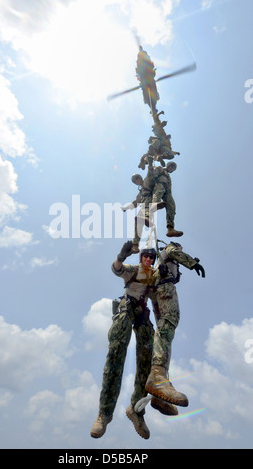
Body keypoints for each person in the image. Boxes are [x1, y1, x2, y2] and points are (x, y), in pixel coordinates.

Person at [90, 241, 171, 440]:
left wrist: (166, 270)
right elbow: (116, 269)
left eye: (152, 257)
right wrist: (121, 255)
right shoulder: (133, 270)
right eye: (146, 256)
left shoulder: (154, 276)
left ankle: (137, 410)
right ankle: (104, 413)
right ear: (140, 257)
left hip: (143, 314)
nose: (149, 260)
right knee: (116, 354)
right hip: (127, 309)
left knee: (148, 362)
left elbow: (165, 290)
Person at [144, 242, 205, 406]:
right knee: (169, 323)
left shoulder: (162, 262)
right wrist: (193, 263)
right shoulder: (169, 250)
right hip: (164, 289)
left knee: (163, 333)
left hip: (157, 293)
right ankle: (157, 377)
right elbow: (172, 250)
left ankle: (159, 390)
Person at [121, 159, 165, 253]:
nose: (137, 181)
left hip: (150, 201)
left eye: (137, 178)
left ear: (140, 178)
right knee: (137, 223)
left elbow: (150, 173)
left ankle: (147, 217)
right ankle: (135, 244)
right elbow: (136, 202)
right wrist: (126, 208)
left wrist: (149, 163)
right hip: (143, 205)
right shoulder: (140, 193)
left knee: (146, 208)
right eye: (135, 180)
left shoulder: (147, 181)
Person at [151, 162, 183, 238]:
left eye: (173, 169)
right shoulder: (160, 168)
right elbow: (152, 176)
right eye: (171, 167)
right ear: (168, 165)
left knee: (171, 205)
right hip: (158, 184)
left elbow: (169, 188)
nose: (171, 169)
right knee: (160, 189)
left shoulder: (168, 177)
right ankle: (154, 203)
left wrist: (169, 195)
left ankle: (170, 228)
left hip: (167, 191)